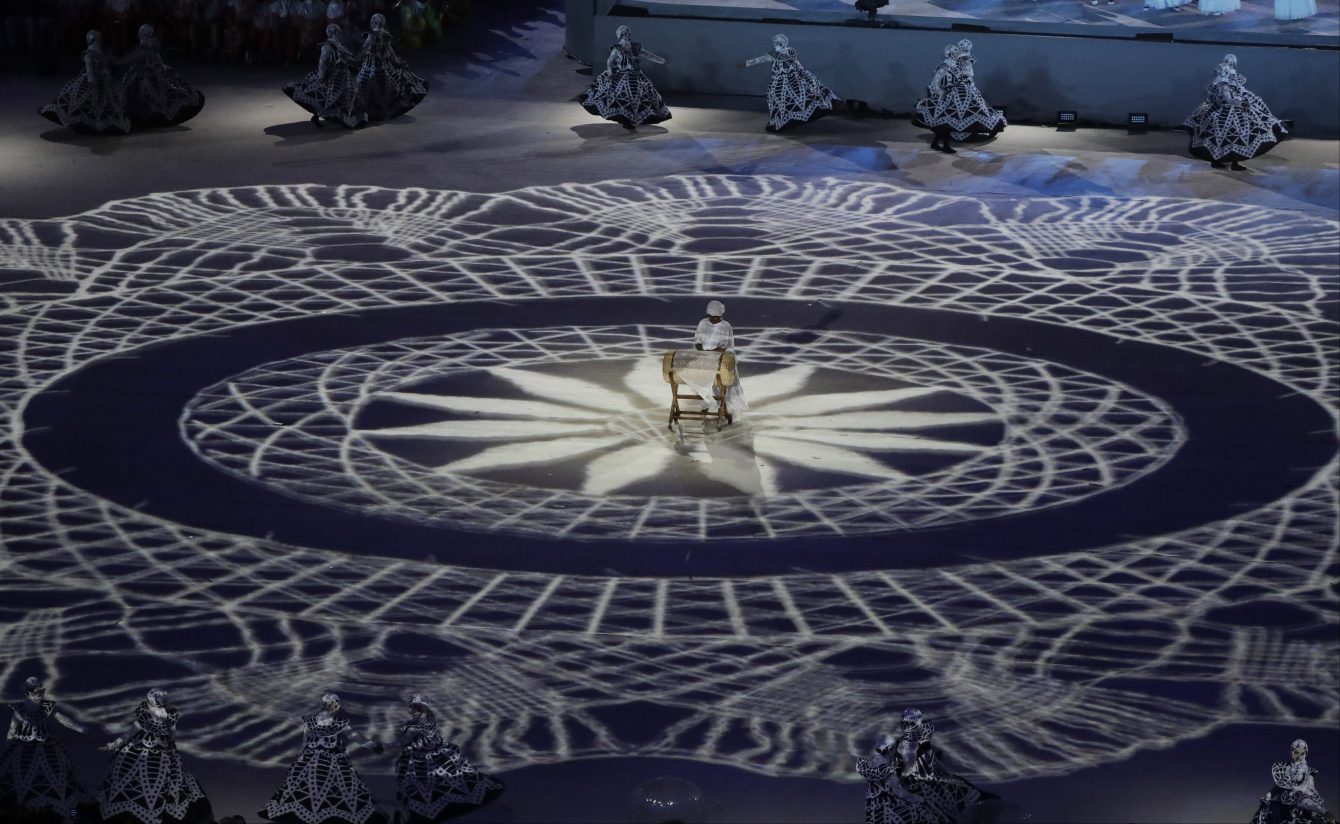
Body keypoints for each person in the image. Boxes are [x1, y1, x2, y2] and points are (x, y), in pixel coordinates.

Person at [260, 693, 386, 824]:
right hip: (323, 761)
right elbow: (353, 736)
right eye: (335, 703)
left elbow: (353, 736)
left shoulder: (332, 722)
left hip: (319, 759)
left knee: (332, 791)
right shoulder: (318, 722)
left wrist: (372, 746)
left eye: (338, 703)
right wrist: (373, 746)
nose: (337, 706)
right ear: (328, 704)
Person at [97, 689, 212, 824]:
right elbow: (128, 734)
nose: (161, 702)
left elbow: (172, 731)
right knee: (129, 776)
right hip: (141, 752)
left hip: (163, 752)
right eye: (158, 700)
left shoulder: (168, 716)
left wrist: (171, 743)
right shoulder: (143, 721)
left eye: (162, 700)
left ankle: (155, 807)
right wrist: (113, 745)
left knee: (168, 780)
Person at [393, 695, 503, 823]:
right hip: (416, 748)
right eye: (412, 706)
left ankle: (451, 792)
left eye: (416, 706)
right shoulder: (413, 720)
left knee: (446, 762)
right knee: (411, 770)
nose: (413, 709)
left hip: (432, 746)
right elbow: (404, 738)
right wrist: (408, 732)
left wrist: (415, 729)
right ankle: (426, 795)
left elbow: (430, 733)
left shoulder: (428, 717)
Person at [0, 678, 90, 817]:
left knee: (60, 773)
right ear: (28, 692)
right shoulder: (20, 708)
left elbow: (62, 719)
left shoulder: (47, 706)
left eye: (42, 690)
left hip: (46, 747)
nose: (41, 693)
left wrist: (79, 727)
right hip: (22, 749)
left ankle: (66, 812)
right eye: (37, 690)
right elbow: (12, 729)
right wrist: (8, 746)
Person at [1184, 54, 1285, 170]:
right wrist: (1240, 103)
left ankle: (1233, 163)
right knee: (1221, 137)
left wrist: (1248, 100)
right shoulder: (1222, 82)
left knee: (1237, 136)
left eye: (1232, 64)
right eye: (1227, 62)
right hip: (1222, 112)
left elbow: (1240, 91)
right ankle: (1217, 161)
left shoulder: (1232, 80)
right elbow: (1226, 98)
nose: (1229, 65)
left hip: (1233, 110)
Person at [913, 41, 1004, 153]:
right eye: (954, 51)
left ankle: (939, 143)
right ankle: (943, 145)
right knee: (947, 118)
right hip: (947, 96)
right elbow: (935, 83)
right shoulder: (944, 66)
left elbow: (965, 78)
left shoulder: (957, 66)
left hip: (958, 93)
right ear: (948, 54)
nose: (957, 53)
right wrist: (941, 93)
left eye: (957, 51)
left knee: (951, 117)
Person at [737, 34, 840, 131]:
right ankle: (781, 119)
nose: (777, 44)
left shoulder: (788, 52)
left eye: (779, 43)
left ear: (784, 43)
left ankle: (793, 116)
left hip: (791, 80)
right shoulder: (775, 55)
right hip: (779, 81)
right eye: (776, 42)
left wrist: (803, 74)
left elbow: (797, 64)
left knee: (802, 95)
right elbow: (759, 60)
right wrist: (745, 64)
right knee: (775, 97)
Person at [40, 29, 132, 134]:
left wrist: (129, 58)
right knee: (82, 102)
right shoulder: (89, 54)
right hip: (92, 83)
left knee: (102, 105)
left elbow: (116, 61)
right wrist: (91, 81)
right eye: (96, 39)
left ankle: (97, 125)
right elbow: (89, 70)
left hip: (104, 83)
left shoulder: (104, 53)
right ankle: (87, 124)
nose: (97, 41)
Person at [580, 25, 671, 129]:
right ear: (621, 35)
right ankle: (626, 120)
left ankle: (629, 120)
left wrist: (661, 61)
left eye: (628, 33)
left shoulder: (635, 47)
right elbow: (610, 61)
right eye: (625, 33)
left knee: (636, 98)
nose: (627, 35)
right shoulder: (617, 48)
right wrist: (610, 73)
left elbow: (647, 55)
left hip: (635, 74)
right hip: (622, 74)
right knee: (622, 97)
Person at [120, 24, 206, 127]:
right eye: (143, 33)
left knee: (167, 90)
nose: (145, 36)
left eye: (148, 34)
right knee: (148, 90)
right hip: (144, 77)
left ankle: (163, 113)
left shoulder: (153, 46)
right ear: (139, 35)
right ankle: (151, 114)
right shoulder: (138, 50)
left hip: (157, 73)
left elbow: (156, 59)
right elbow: (129, 60)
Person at [283, 22, 368, 127]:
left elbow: (350, 59)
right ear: (335, 33)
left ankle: (331, 116)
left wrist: (356, 61)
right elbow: (322, 62)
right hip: (331, 77)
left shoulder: (340, 46)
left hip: (343, 77)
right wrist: (322, 76)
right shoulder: (328, 46)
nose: (341, 34)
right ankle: (318, 115)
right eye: (339, 32)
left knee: (345, 97)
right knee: (322, 96)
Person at [356, 12, 427, 120]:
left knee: (370, 86)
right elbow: (389, 51)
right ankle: (372, 110)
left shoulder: (375, 35)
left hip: (376, 67)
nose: (373, 23)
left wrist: (396, 61)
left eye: (375, 21)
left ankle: (373, 110)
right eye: (373, 20)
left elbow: (386, 50)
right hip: (376, 66)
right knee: (375, 87)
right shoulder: (381, 35)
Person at [1251, 739, 1336, 824]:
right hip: (1286, 802)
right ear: (1292, 752)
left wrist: (1321, 809)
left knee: (1309, 805)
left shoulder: (1309, 774)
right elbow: (1279, 786)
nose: (1299, 756)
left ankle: (1325, 814)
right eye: (1296, 752)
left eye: (1302, 753)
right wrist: (1269, 795)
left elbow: (1311, 795)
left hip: (1302, 800)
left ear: (1305, 754)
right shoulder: (1286, 769)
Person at [690, 300, 747, 416]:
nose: (714, 319)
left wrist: (711, 354)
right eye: (712, 317)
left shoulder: (726, 326)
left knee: (722, 381)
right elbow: (697, 342)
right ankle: (706, 404)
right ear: (708, 315)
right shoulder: (702, 323)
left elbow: (724, 347)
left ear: (721, 316)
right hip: (705, 357)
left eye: (717, 317)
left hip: (722, 358)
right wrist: (703, 353)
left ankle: (725, 405)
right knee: (697, 378)